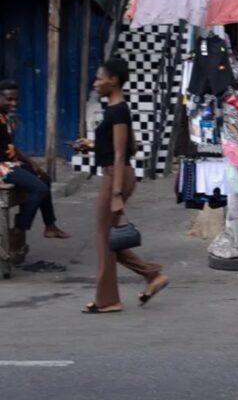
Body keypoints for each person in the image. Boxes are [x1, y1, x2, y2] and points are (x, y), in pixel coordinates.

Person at [82, 58, 168, 314]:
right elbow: (131, 145)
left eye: (99, 78)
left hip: (116, 177)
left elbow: (121, 154)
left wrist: (117, 193)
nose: (95, 83)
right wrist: (91, 145)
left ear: (114, 80)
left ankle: (108, 300)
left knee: (103, 238)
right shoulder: (116, 110)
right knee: (109, 239)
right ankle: (152, 275)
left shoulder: (118, 110)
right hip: (115, 174)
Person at [0, 80, 70, 265]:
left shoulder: (7, 118)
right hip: (2, 168)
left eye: (16, 99)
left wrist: (31, 162)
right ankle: (18, 230)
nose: (14, 103)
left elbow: (11, 148)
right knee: (39, 189)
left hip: (9, 164)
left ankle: (50, 226)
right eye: (9, 99)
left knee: (43, 178)